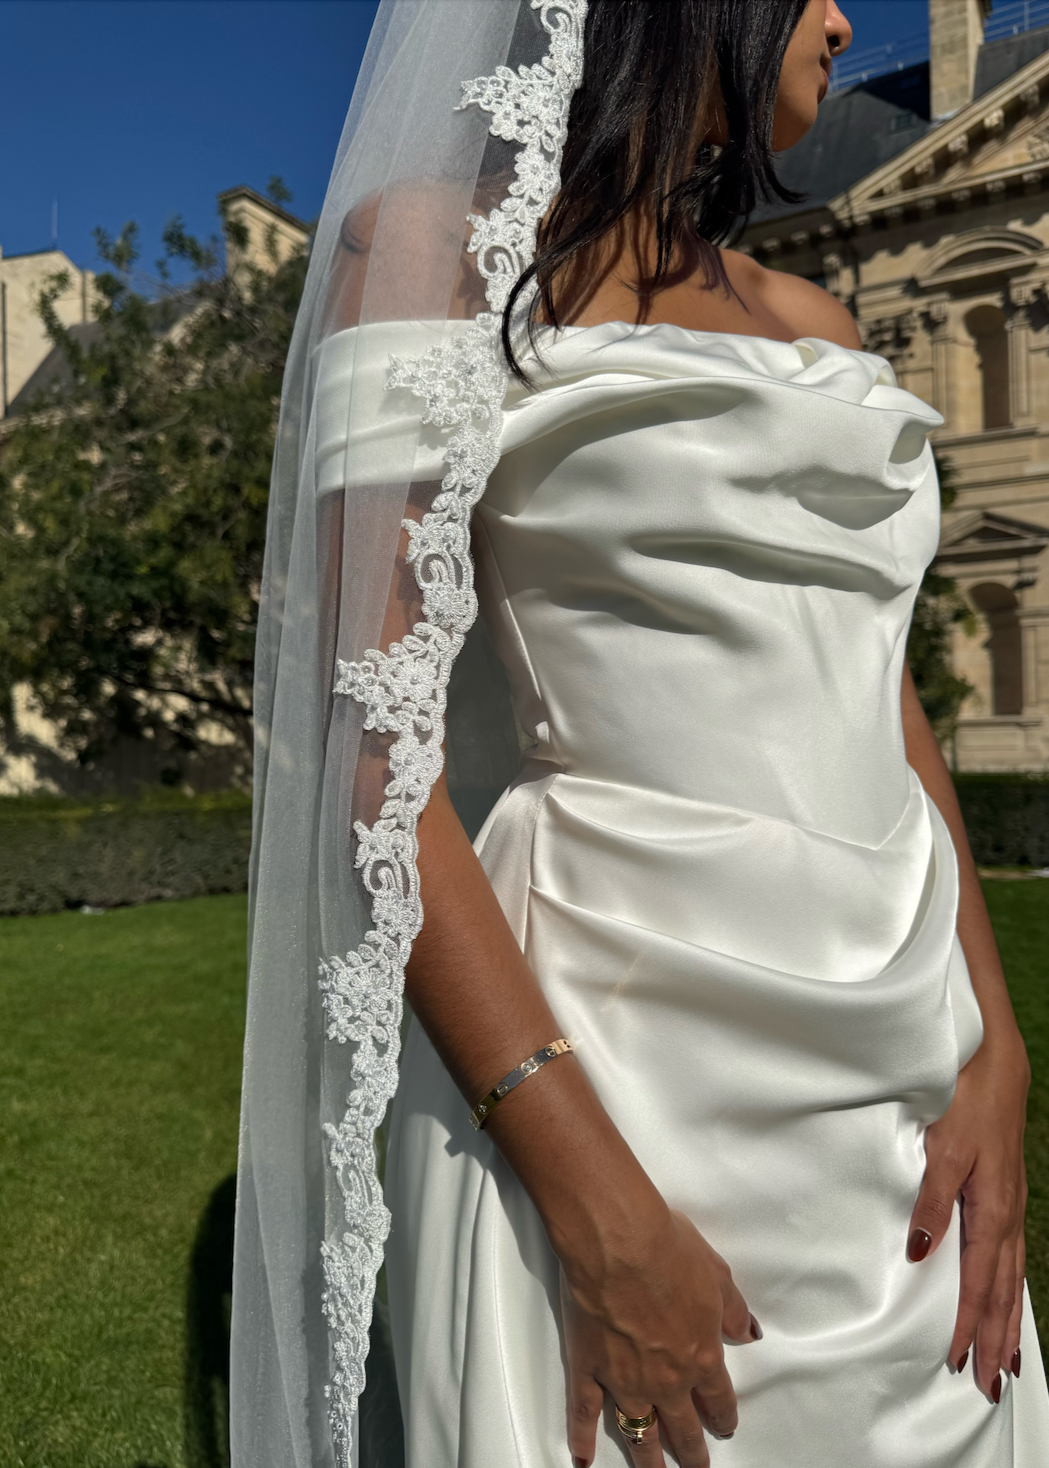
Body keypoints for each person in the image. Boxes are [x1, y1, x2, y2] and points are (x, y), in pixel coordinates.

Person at [231, 3, 1049, 1466]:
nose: (847, 18)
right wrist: (591, 1198)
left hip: (905, 1064)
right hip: (622, 1056)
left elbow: (883, 701)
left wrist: (997, 1047)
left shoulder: (819, 321)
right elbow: (370, 756)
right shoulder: (430, 256)